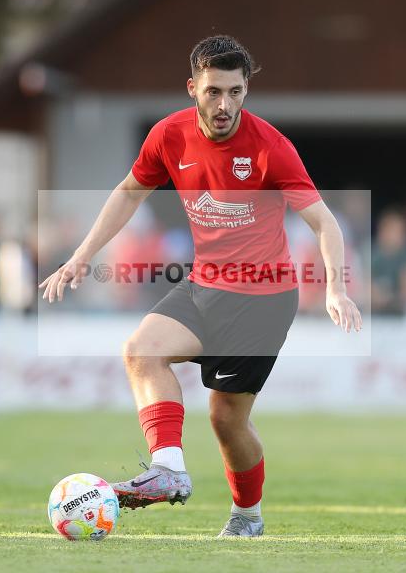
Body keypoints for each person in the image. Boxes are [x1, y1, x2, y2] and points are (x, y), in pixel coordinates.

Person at [38, 36, 361, 538]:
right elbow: (129, 193)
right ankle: (167, 469)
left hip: (263, 298)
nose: (225, 104)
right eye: (214, 91)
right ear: (193, 88)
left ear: (246, 89)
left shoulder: (271, 148)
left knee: (226, 420)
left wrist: (336, 288)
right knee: (141, 351)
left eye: (235, 92)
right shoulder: (169, 136)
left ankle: (247, 516)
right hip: (206, 282)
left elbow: (324, 222)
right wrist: (81, 256)